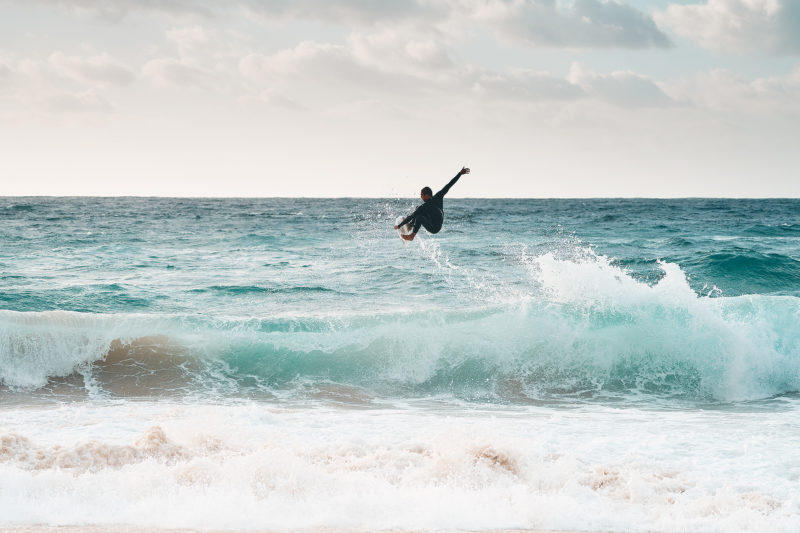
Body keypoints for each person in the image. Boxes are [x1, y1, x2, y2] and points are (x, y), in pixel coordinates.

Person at [394, 167, 470, 241]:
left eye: (422, 195)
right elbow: (412, 215)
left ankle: (412, 236)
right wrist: (460, 173)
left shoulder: (436, 198)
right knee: (418, 209)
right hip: (432, 221)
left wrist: (399, 226)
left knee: (419, 216)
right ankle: (410, 226)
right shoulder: (435, 198)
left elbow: (449, 185)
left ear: (426, 195)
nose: (421, 197)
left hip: (435, 228)